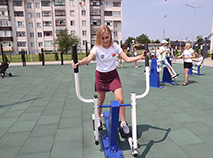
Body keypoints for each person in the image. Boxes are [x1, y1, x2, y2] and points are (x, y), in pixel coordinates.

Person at [72, 25, 145, 138]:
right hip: (101, 76)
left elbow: (127, 59)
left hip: (113, 75)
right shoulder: (96, 48)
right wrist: (79, 63)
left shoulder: (115, 46)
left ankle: (123, 123)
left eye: (107, 37)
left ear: (110, 36)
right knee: (101, 101)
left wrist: (140, 57)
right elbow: (88, 58)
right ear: (99, 38)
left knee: (120, 99)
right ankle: (98, 118)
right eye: (103, 38)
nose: (105, 41)